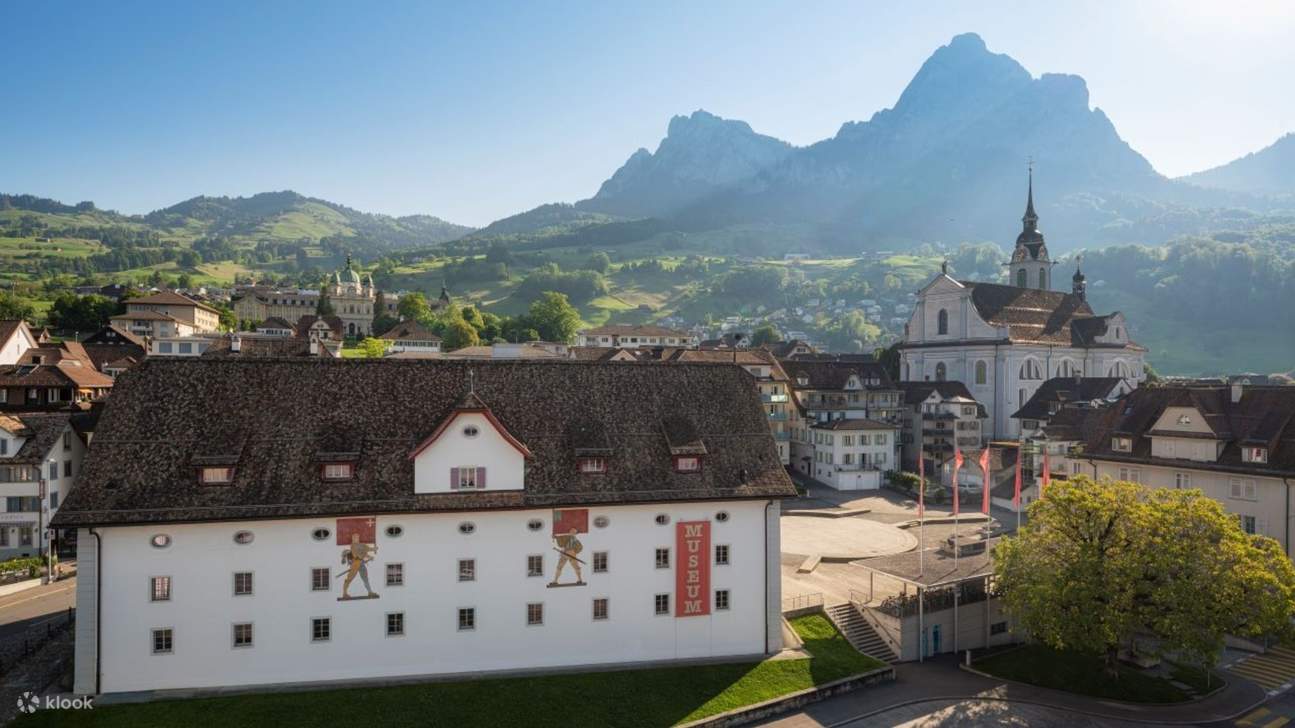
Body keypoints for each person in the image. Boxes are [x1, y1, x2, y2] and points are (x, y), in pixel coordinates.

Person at [340, 532, 378, 599]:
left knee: (365, 578)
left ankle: (370, 592)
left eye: (357, 537)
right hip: (355, 563)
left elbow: (368, 550)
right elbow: (357, 554)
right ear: (352, 539)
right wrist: (368, 555)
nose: (355, 539)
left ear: (358, 538)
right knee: (349, 579)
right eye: (354, 537)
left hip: (361, 563)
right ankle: (344, 593)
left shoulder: (362, 545)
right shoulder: (353, 546)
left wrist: (374, 549)